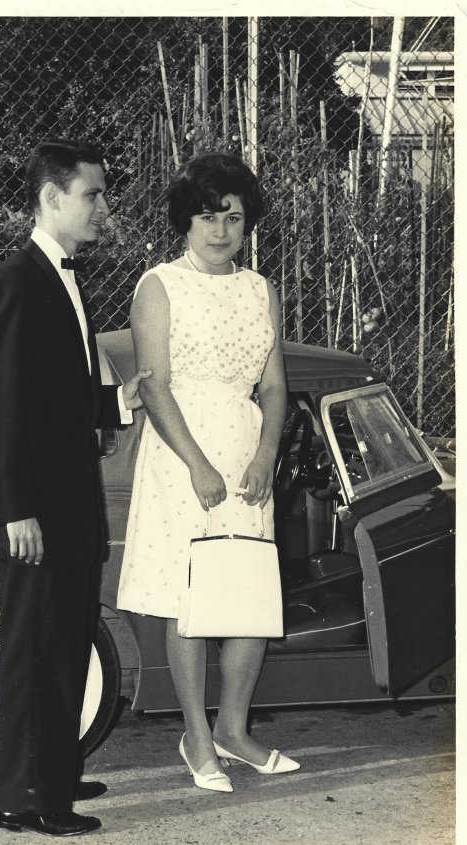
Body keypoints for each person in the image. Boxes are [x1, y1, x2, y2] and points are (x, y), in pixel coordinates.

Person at [0, 138, 150, 836]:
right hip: (36, 513)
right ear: (51, 198)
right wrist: (15, 508)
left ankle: (53, 774)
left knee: (66, 644)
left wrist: (116, 404)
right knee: (37, 653)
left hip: (67, 506)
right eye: (92, 194)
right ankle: (30, 800)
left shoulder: (62, 279)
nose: (103, 206)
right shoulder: (18, 282)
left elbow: (54, 396)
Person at [117, 151, 299, 792]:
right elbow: (154, 385)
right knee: (188, 599)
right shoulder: (159, 285)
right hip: (181, 454)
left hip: (247, 451)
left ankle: (234, 731)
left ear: (248, 223)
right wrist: (196, 463)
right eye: (207, 217)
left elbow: (273, 386)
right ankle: (196, 736)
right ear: (185, 221)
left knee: (248, 598)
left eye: (233, 217)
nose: (221, 231)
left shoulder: (260, 289)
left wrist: (266, 454)